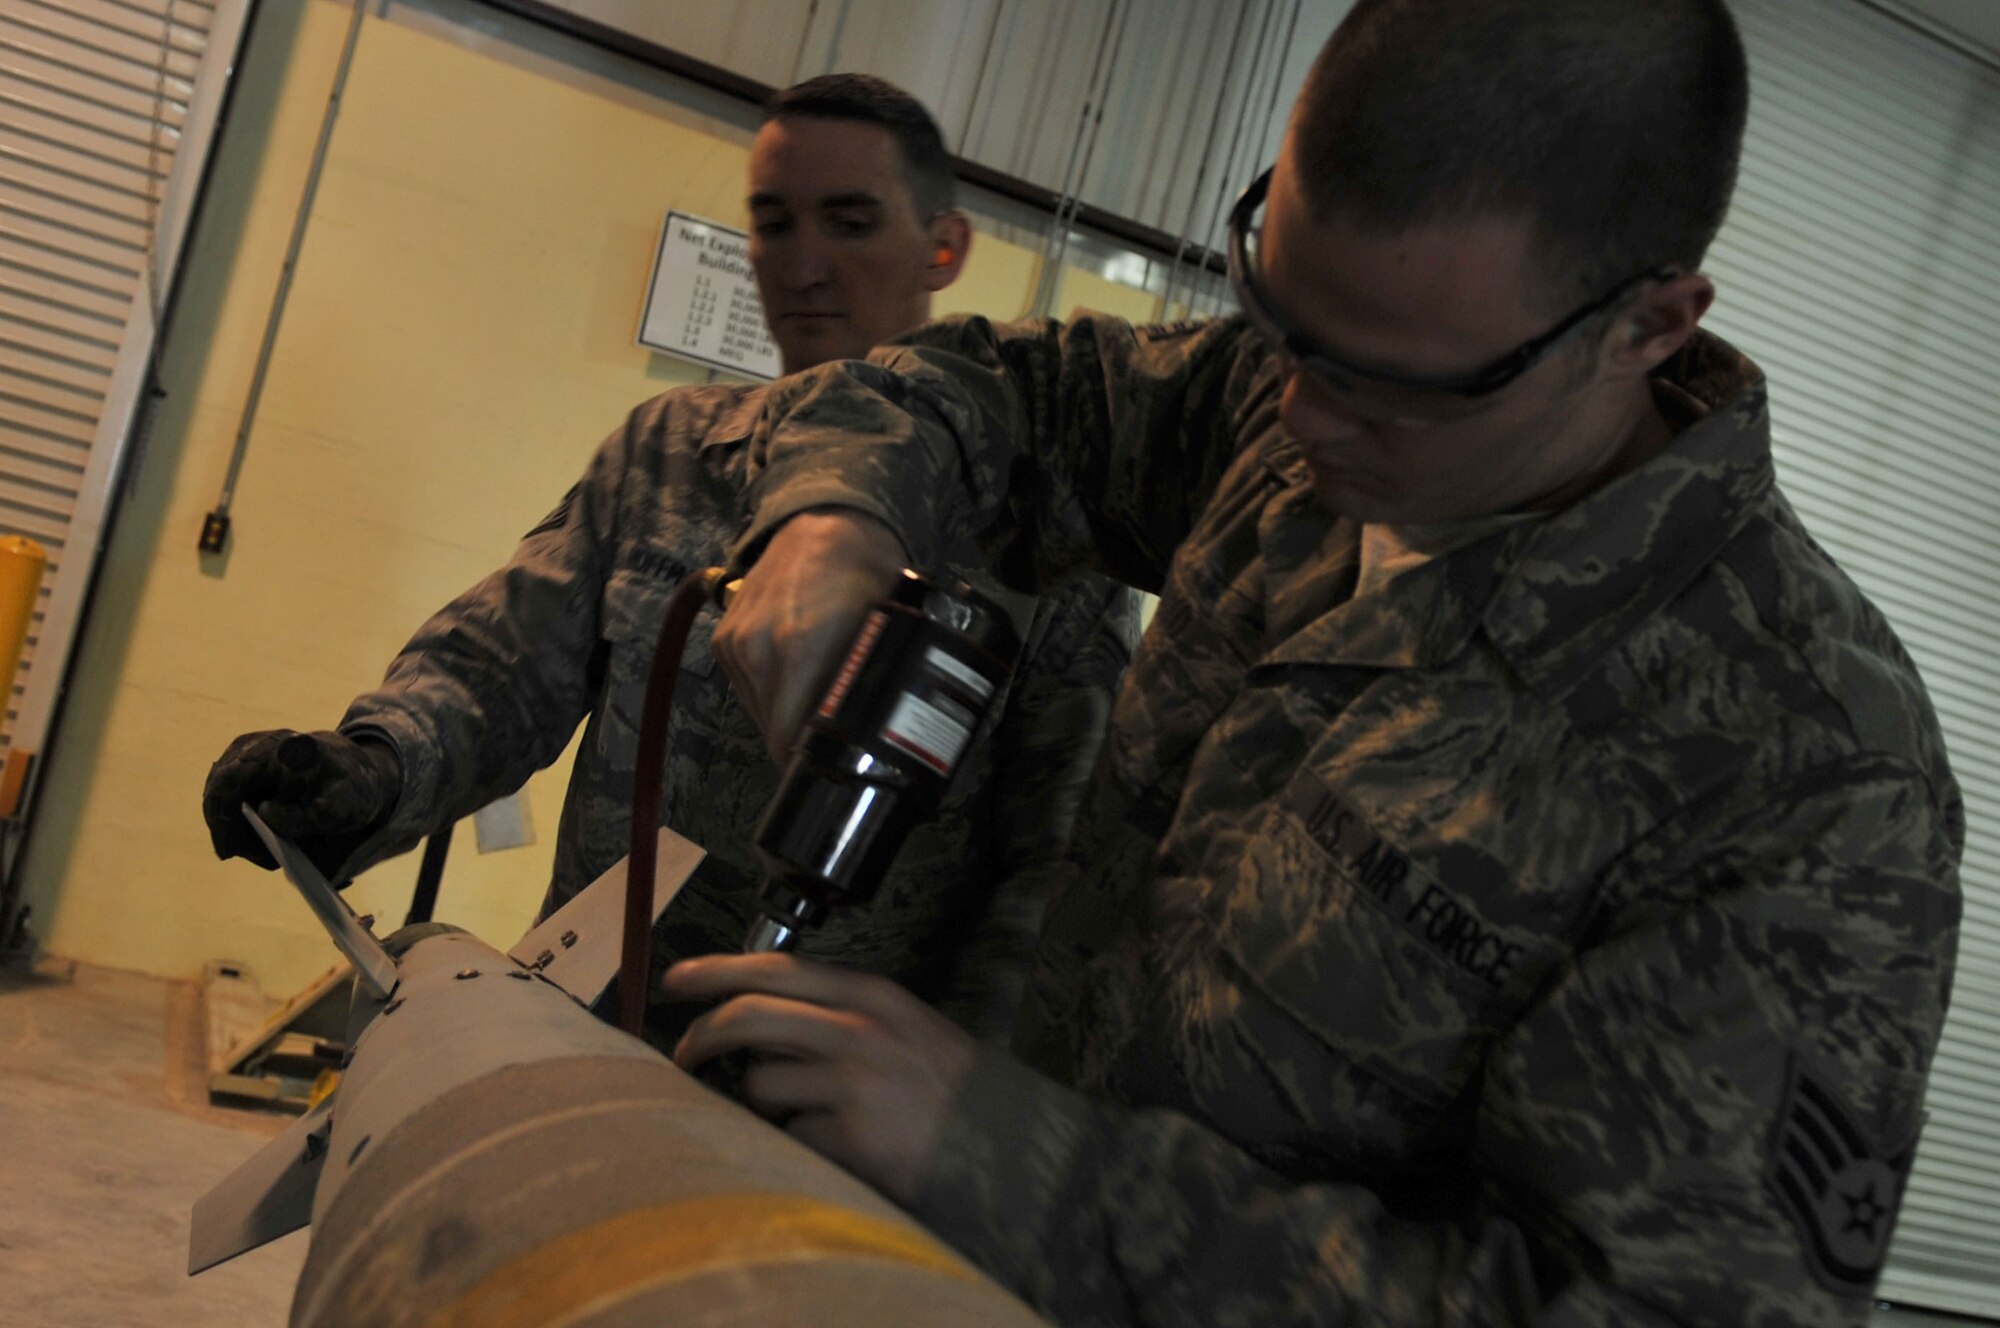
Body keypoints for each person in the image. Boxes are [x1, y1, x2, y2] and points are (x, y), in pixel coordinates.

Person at [658, 3, 1965, 1324]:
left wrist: (1017, 1164)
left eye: (1390, 383)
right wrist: (836, 518)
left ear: (1650, 325)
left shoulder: (1803, 774)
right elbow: (984, 389)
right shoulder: (1304, 395)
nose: (1298, 413)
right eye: (1275, 317)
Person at [202, 73, 1141, 1044]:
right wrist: (370, 765)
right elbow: (499, 670)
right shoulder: (668, 454)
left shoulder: (1044, 556)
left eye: (849, 222)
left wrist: (955, 1117)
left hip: (826, 1103)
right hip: (590, 1033)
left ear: (943, 246)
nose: (803, 266)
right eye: (773, 224)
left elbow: (1049, 878)